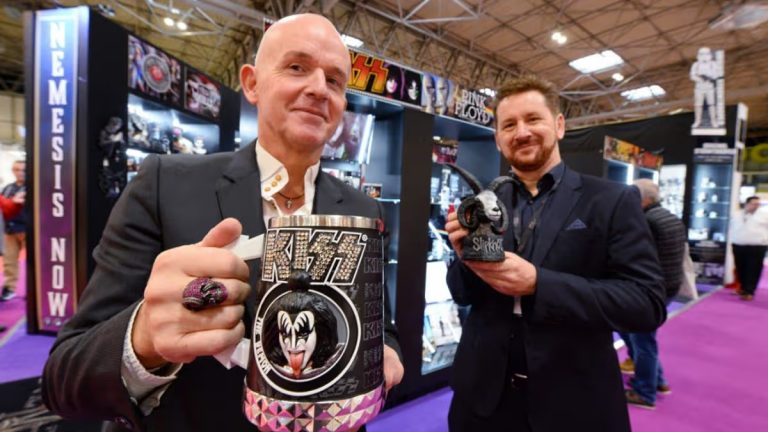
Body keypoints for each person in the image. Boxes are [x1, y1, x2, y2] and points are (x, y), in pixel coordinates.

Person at [42, 14, 404, 432]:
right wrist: (144, 339)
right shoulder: (164, 184)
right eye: (297, 67)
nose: (319, 88)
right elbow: (63, 378)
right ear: (251, 83)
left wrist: (384, 353)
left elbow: (383, 327)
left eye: (336, 81)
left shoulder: (365, 211)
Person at [444, 74, 666, 431]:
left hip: (574, 404)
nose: (521, 132)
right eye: (509, 124)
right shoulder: (486, 202)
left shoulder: (609, 200)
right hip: (482, 403)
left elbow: (646, 303)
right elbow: (462, 293)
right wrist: (464, 257)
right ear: (498, 138)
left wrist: (538, 284)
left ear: (559, 125)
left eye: (533, 119)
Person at [623, 179, 686, 409]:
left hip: (649, 290)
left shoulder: (647, 221)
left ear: (644, 200)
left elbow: (636, 257)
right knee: (641, 338)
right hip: (667, 287)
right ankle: (659, 382)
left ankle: (645, 393)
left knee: (643, 342)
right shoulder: (669, 217)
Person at [729, 196, 768, 301]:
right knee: (740, 268)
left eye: (758, 204)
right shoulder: (736, 214)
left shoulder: (764, 215)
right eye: (754, 204)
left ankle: (749, 291)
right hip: (738, 244)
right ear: (747, 204)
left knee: (753, 269)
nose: (756, 206)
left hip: (757, 246)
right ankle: (743, 287)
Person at [1, 160, 26, 302]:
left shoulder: (34, 187)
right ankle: (10, 288)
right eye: (17, 169)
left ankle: (34, 288)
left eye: (22, 169)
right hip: (10, 229)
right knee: (9, 261)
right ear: (13, 171)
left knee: (34, 262)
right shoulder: (7, 189)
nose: (20, 172)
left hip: (28, 228)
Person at [690, 47, 721, 129]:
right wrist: (700, 79)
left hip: (710, 87)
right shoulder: (696, 64)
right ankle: (697, 121)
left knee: (711, 105)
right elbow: (692, 75)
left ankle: (713, 121)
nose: (704, 56)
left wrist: (710, 77)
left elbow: (717, 74)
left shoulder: (713, 64)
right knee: (698, 105)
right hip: (699, 88)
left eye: (706, 54)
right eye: (702, 54)